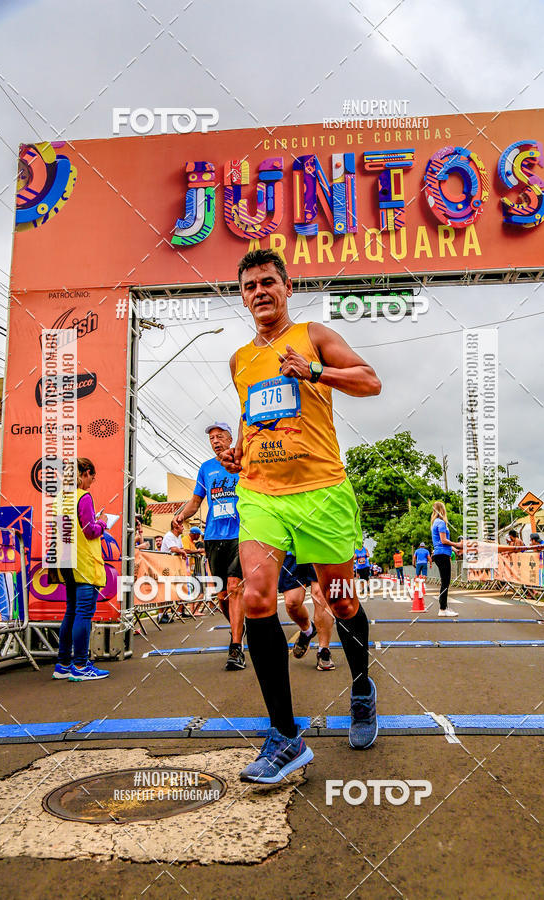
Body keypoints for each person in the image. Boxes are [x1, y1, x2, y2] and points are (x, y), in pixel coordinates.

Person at [221, 248, 381, 784]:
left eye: (269, 282)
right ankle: (285, 737)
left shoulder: (313, 335)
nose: (260, 292)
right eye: (250, 286)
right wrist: (238, 453)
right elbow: (252, 420)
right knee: (259, 598)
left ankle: (361, 688)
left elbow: (370, 381)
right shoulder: (240, 360)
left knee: (341, 599)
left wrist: (315, 370)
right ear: (243, 296)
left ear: (287, 288)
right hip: (261, 494)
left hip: (321, 492)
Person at [173, 423, 246, 671]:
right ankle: (239, 626)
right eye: (212, 438)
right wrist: (181, 515)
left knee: (235, 587)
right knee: (222, 595)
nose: (215, 441)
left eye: (220, 436)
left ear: (229, 438)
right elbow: (196, 501)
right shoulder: (206, 468)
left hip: (241, 534)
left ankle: (236, 647)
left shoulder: (241, 460)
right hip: (214, 536)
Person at [52, 457, 110, 681]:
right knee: (83, 613)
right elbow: (89, 531)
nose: (92, 482)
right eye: (92, 477)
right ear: (84, 473)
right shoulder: (83, 497)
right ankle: (81, 665)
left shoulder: (60, 498)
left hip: (66, 561)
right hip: (85, 563)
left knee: (71, 611)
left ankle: (63, 663)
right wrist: (103, 522)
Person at [279, 554, 336, 671]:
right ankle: (308, 630)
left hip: (318, 544)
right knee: (292, 602)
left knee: (321, 596)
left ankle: (324, 650)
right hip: (292, 548)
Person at [431, 501, 463, 617]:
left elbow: (441, 542)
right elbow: (444, 541)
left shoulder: (435, 522)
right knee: (445, 582)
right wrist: (458, 545)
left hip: (441, 553)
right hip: (442, 555)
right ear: (442, 510)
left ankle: (444, 607)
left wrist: (454, 549)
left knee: (445, 582)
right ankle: (442, 609)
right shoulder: (441, 523)